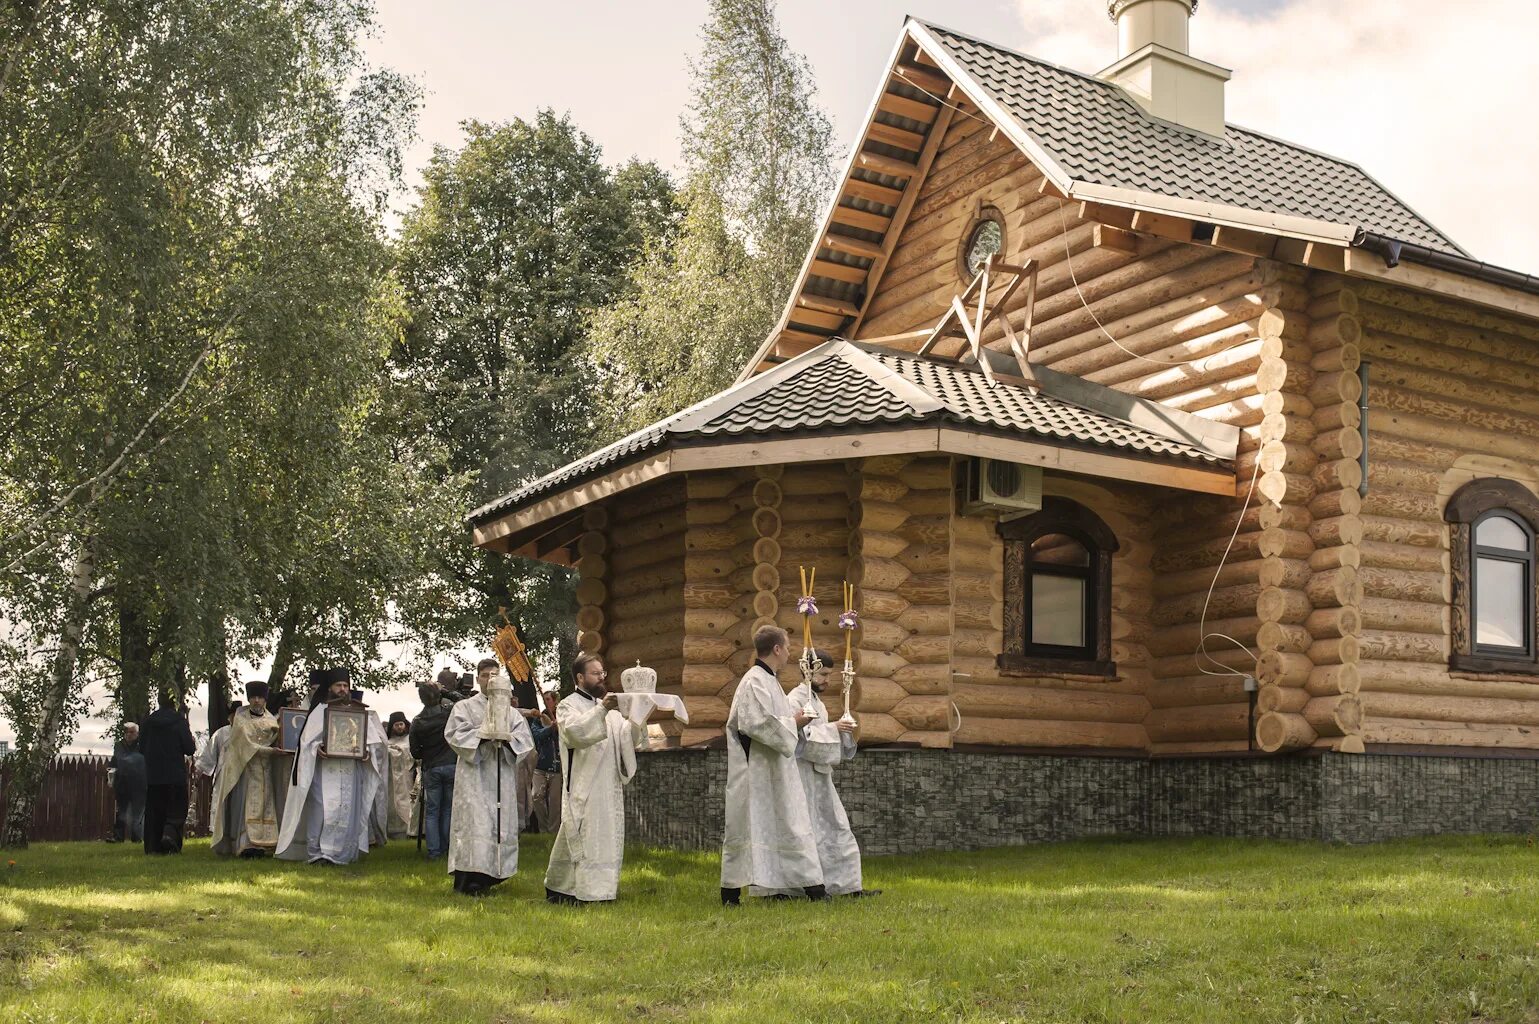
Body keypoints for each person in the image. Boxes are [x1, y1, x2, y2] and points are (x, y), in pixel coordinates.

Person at [719, 625, 824, 904]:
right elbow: (755, 723)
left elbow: (774, 717)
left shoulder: (770, 681)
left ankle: (782, 886)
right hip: (756, 772)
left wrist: (793, 717)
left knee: (788, 823)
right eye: (787, 647)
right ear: (776, 649)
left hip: (775, 768)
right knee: (753, 826)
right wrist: (795, 722)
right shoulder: (754, 681)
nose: (790, 653)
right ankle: (730, 894)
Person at [544, 655, 645, 905]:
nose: (602, 677)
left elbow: (627, 740)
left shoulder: (609, 711)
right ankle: (572, 890)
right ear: (580, 678)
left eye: (602, 673)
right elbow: (574, 733)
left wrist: (638, 718)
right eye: (595, 673)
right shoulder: (568, 705)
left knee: (604, 837)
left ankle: (602, 890)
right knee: (582, 835)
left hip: (607, 786)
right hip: (584, 785)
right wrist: (602, 709)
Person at [783, 650, 874, 898]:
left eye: (829, 675)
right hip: (802, 778)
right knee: (810, 832)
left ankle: (847, 886)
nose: (827, 680)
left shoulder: (817, 702)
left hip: (820, 778)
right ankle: (797, 888)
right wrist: (833, 728)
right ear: (809, 671)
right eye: (823, 674)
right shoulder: (794, 700)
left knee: (836, 828)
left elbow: (817, 734)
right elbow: (799, 741)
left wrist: (840, 731)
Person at [275, 667, 387, 865]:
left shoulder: (358, 712)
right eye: (339, 685)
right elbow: (307, 741)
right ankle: (317, 853)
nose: (343, 689)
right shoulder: (320, 711)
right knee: (322, 809)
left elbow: (370, 741)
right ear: (330, 688)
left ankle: (342, 853)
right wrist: (317, 748)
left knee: (347, 809)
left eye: (346, 686)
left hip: (350, 770)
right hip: (325, 770)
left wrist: (366, 752)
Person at [444, 666, 534, 896]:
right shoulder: (463, 707)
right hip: (474, 778)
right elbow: (455, 734)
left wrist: (507, 741)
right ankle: (469, 880)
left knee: (497, 826)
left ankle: (491, 877)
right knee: (475, 824)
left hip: (501, 778)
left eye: (495, 674)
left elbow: (525, 740)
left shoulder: (512, 713)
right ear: (478, 679)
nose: (490, 679)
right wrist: (483, 736)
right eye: (486, 675)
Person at [211, 683, 283, 858]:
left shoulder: (273, 720)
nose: (256, 700)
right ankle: (246, 845)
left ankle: (265, 844)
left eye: (260, 697)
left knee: (266, 805)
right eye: (253, 697)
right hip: (246, 768)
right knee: (247, 805)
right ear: (249, 699)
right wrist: (272, 751)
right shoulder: (241, 719)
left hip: (266, 769)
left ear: (265, 700)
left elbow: (279, 739)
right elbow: (246, 745)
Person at [140, 691, 196, 855]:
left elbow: (141, 747)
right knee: (176, 809)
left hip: (154, 775)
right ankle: (170, 835)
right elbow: (189, 748)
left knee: (154, 811)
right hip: (175, 774)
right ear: (174, 703)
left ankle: (153, 847)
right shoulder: (179, 721)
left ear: (158, 701)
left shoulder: (149, 721)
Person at [410, 678, 458, 859]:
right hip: (451, 763)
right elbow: (463, 700)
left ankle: (434, 851)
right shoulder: (448, 713)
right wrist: (445, 691)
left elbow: (415, 752)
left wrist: (426, 752)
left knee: (432, 811)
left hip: (431, 767)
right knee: (447, 809)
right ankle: (445, 848)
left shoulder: (417, 721)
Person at [525, 687, 562, 833]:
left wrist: (559, 728)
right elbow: (536, 735)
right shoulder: (539, 720)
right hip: (540, 765)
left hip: (557, 766)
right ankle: (543, 828)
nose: (545, 703)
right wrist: (550, 728)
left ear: (554, 701)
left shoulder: (563, 717)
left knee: (555, 802)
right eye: (544, 700)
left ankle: (553, 832)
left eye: (548, 700)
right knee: (536, 796)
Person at [108, 723, 146, 844]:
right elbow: (116, 760)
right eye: (127, 732)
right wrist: (111, 775)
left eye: (131, 732)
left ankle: (137, 837)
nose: (129, 734)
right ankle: (118, 836)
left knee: (137, 812)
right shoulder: (119, 745)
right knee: (121, 811)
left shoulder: (142, 746)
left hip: (138, 783)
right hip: (122, 782)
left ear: (137, 734)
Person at [385, 711, 414, 839]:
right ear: (392, 726)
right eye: (396, 725)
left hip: (408, 777)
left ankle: (411, 829)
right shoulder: (388, 741)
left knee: (409, 801)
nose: (399, 727)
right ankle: (394, 831)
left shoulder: (410, 739)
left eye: (401, 724)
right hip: (392, 778)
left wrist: (400, 750)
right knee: (393, 803)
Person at [196, 701, 242, 779]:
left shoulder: (248, 733)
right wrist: (199, 770)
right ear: (229, 718)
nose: (235, 718)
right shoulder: (220, 734)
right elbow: (209, 754)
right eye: (232, 716)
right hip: (224, 777)